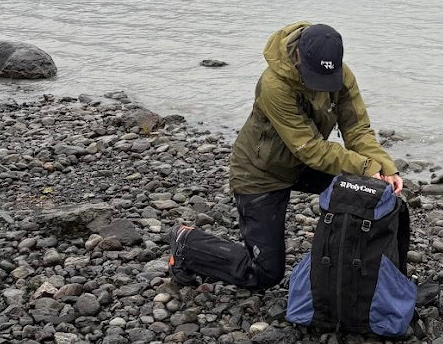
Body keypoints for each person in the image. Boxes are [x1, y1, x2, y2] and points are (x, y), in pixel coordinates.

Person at [168, 20, 403, 290]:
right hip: (261, 172)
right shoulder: (274, 85)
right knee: (263, 273)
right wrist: (363, 165)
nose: (322, 86)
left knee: (372, 189)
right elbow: (310, 148)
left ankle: (361, 272)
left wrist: (385, 167)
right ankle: (187, 243)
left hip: (304, 165)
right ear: (299, 56)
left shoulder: (340, 75)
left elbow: (357, 129)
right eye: (315, 78)